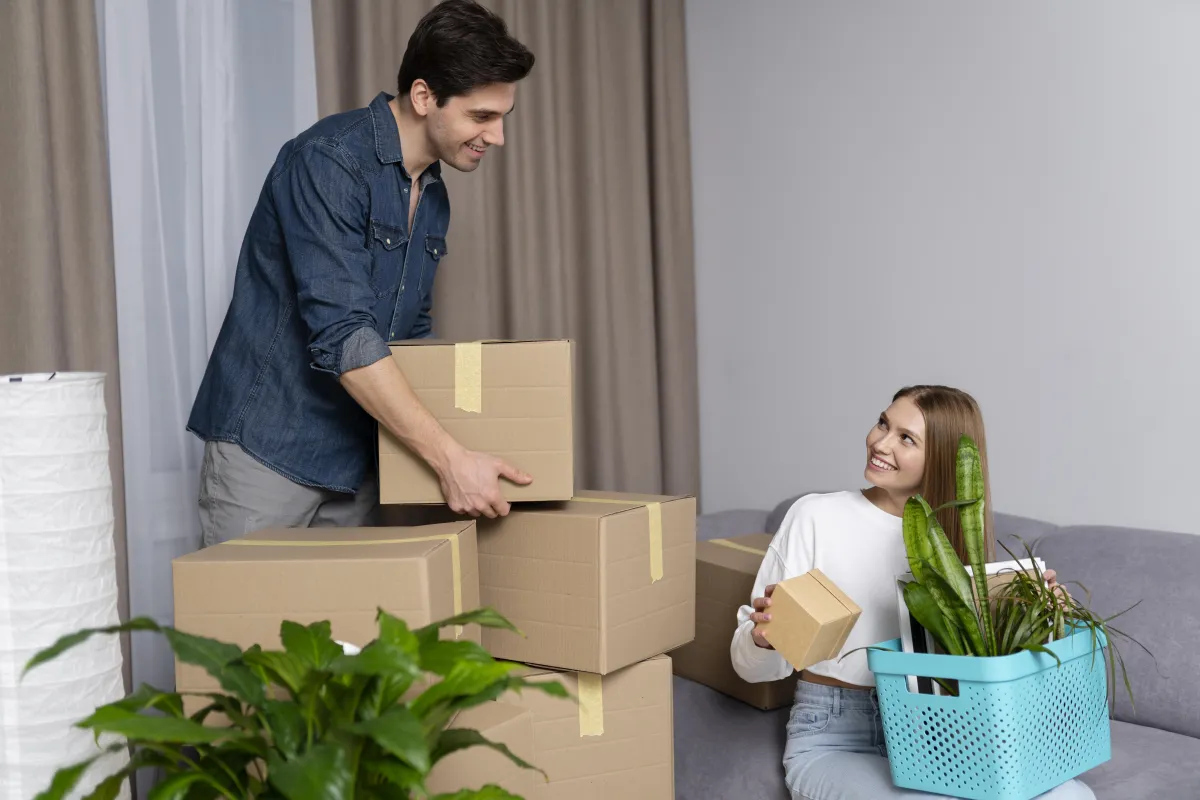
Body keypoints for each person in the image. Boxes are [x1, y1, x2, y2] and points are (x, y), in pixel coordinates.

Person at [187, 0, 535, 546]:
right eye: (481, 116)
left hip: (357, 461)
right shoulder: (328, 162)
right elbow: (345, 334)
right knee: (248, 633)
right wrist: (448, 458)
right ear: (424, 97)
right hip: (269, 449)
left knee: (347, 634)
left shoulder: (434, 193)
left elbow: (409, 332)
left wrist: (469, 443)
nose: (496, 137)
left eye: (501, 118)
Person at [730, 385, 1094, 800]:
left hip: (940, 729)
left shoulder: (955, 542)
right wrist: (764, 636)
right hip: (835, 733)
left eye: (906, 438)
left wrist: (1050, 614)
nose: (880, 443)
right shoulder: (816, 516)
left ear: (939, 458)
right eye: (883, 423)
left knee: (1072, 795)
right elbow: (752, 669)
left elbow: (993, 671)